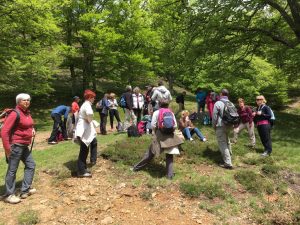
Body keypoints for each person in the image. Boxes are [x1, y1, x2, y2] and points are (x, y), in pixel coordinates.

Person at [131, 100, 183, 179]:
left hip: (159, 135)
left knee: (150, 153)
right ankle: (170, 176)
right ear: (168, 105)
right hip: (170, 135)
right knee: (169, 156)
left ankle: (135, 168)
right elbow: (175, 125)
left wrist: (155, 132)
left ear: (159, 105)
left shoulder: (157, 112)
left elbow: (153, 125)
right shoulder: (171, 113)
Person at [1, 93, 36, 204]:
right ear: (18, 102)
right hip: (15, 146)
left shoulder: (26, 113)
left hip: (24, 145)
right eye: (24, 100)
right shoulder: (14, 113)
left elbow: (28, 124)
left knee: (31, 165)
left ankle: (24, 190)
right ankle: (8, 195)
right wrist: (7, 149)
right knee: (12, 170)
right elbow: (4, 131)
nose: (27, 102)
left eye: (28, 100)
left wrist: (32, 129)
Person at [75, 89, 98, 177]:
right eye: (93, 97)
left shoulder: (85, 104)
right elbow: (90, 115)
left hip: (84, 128)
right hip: (84, 129)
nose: (94, 99)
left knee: (88, 146)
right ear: (89, 97)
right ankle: (81, 171)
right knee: (84, 149)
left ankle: (83, 168)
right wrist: (90, 120)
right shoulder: (87, 105)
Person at [212, 89, 233, 169]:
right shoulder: (230, 103)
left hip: (221, 125)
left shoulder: (218, 103)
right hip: (230, 125)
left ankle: (228, 163)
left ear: (221, 94)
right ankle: (230, 156)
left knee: (222, 143)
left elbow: (214, 116)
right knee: (227, 141)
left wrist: (214, 126)